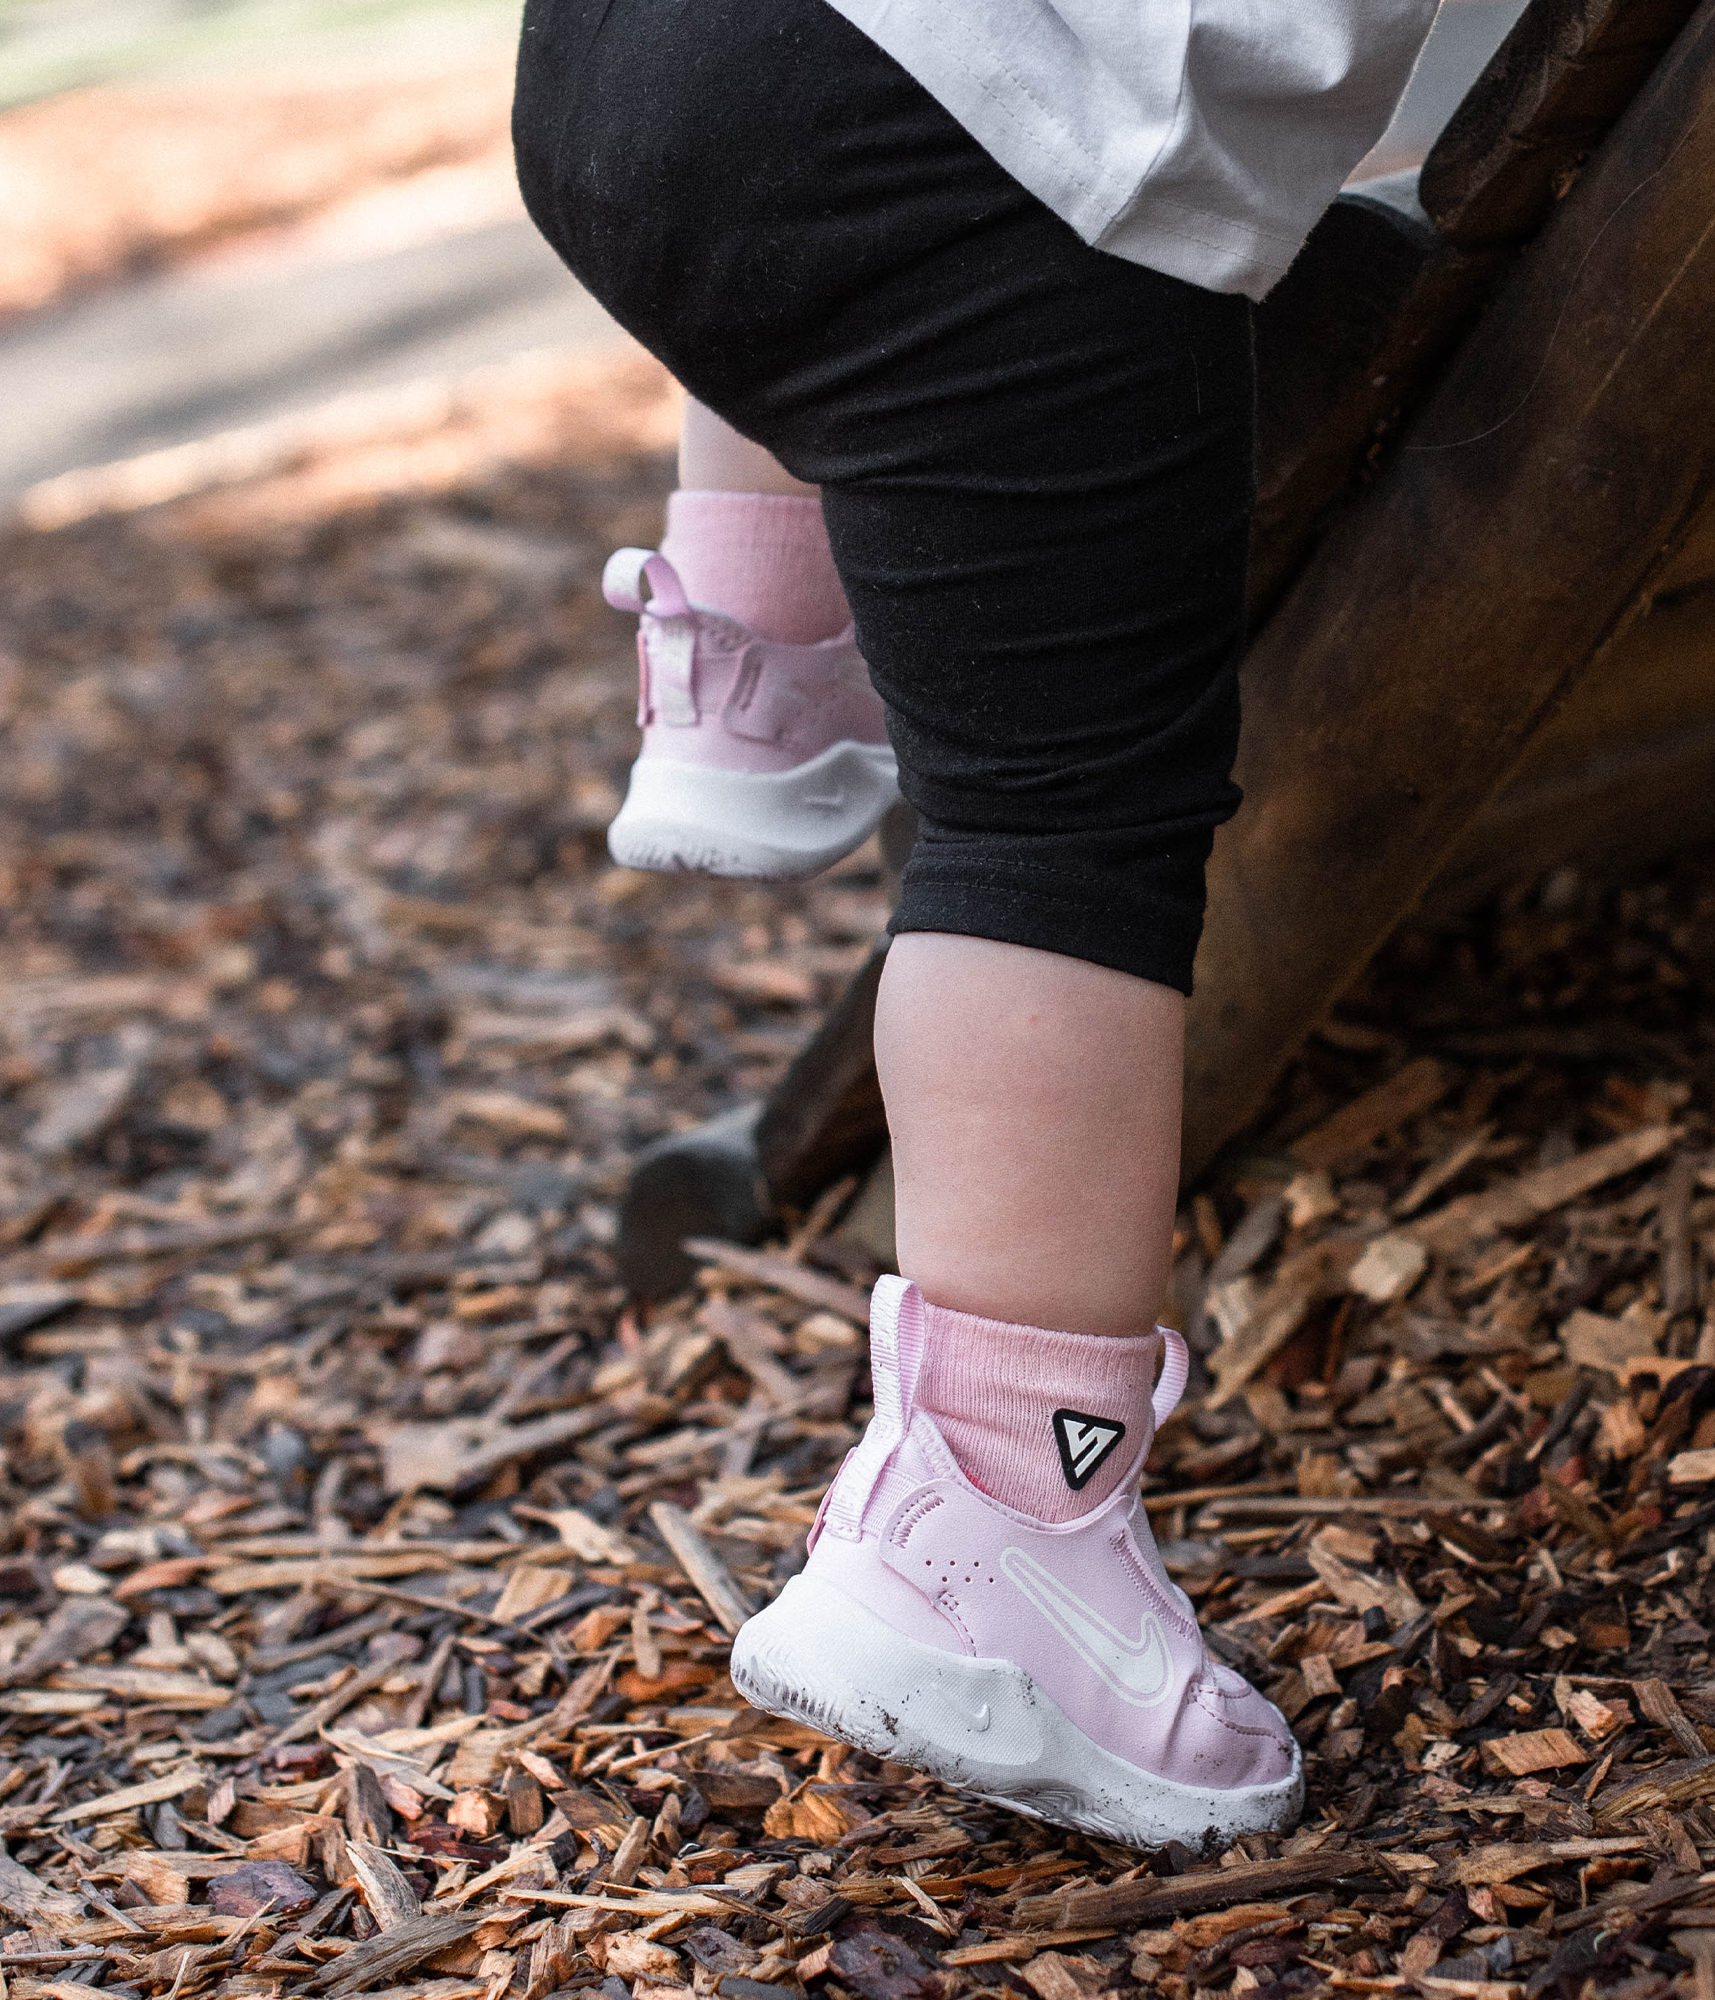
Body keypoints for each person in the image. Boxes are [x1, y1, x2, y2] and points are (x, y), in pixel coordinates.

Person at [514, 0, 1437, 1850]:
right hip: (980, 163)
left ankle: (754, 638)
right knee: (1060, 828)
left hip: (627, 81)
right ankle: (1002, 1525)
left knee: (823, 257)